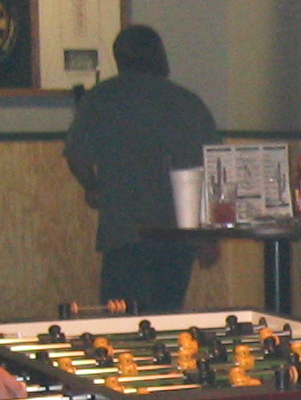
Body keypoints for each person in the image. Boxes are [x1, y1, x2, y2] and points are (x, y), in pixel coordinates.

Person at [64, 23, 219, 313]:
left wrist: (93, 187)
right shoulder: (186, 102)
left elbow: (77, 157)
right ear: (159, 55)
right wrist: (207, 237)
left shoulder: (99, 99)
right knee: (167, 319)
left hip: (123, 234)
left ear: (119, 59)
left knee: (120, 323)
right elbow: (211, 171)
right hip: (177, 235)